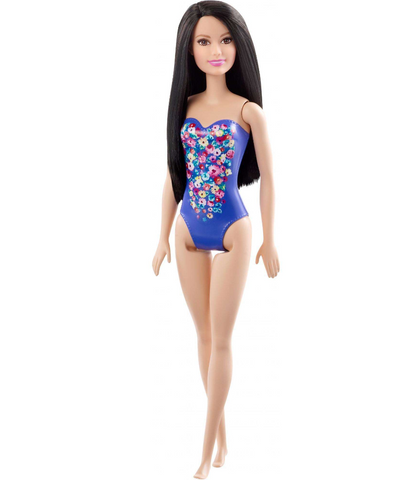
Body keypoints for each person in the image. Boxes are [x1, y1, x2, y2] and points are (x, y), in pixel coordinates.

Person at [152, 2, 280, 478]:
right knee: (203, 335)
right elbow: (174, 176)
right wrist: (161, 236)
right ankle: (221, 438)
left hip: (232, 229)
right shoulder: (184, 108)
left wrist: (270, 238)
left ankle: (206, 456)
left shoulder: (249, 112)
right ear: (189, 49)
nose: (216, 50)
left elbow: (269, 180)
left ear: (238, 45)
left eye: (225, 40)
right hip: (187, 228)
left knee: (221, 339)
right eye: (204, 41)